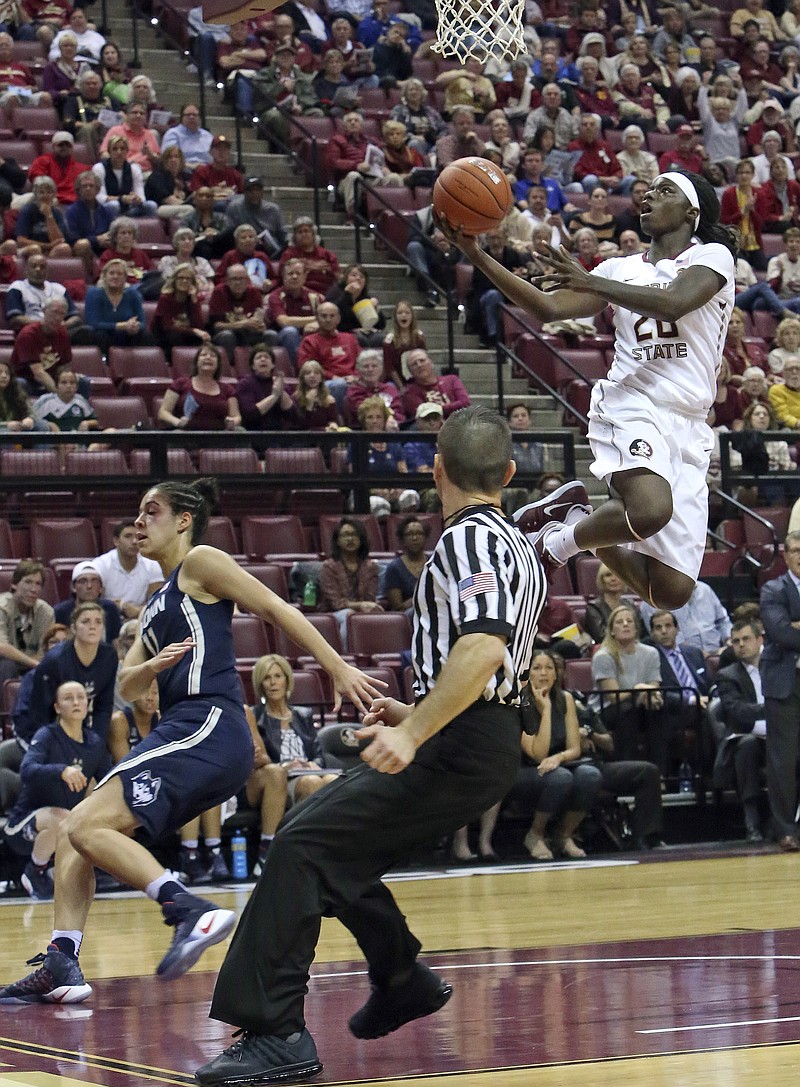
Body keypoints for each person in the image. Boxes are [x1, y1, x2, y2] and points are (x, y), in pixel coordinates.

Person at [196, 406, 544, 1085]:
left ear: (435, 469)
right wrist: (416, 710)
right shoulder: (512, 541)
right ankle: (400, 975)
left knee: (302, 844)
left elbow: (482, 647)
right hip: (474, 735)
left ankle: (277, 1033)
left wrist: (414, 731)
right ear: (506, 474)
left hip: (461, 745)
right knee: (321, 837)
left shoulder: (470, 539)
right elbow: (490, 667)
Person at [0, 478, 381, 1003]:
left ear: (183, 520)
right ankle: (62, 960)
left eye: (150, 511)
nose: (139, 522)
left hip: (210, 722)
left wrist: (336, 666)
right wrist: (151, 665)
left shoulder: (201, 562)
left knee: (84, 823)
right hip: (182, 728)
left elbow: (276, 609)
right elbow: (126, 687)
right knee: (75, 831)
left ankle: (187, 908)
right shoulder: (157, 601)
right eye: (137, 513)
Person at [444, 170, 736, 611]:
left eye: (665, 190)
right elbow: (548, 307)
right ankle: (556, 545)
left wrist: (591, 281)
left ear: (691, 212)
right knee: (649, 511)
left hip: (690, 423)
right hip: (632, 402)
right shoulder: (620, 268)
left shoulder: (714, 257)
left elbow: (675, 301)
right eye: (648, 189)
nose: (649, 195)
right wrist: (478, 256)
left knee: (670, 592)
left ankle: (576, 518)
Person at [3, 681, 111, 901]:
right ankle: (35, 871)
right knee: (61, 817)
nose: (76, 702)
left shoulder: (95, 742)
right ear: (57, 707)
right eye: (68, 698)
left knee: (96, 812)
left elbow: (108, 779)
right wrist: (61, 771)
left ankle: (74, 871)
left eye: (81, 697)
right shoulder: (47, 735)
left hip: (66, 824)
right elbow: (27, 770)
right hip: (24, 824)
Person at [242, 654, 339, 877]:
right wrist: (286, 765)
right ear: (260, 684)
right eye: (267, 678)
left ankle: (328, 850)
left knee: (332, 781)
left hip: (306, 772)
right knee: (311, 782)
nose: (273, 682)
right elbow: (263, 761)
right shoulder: (256, 716)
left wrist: (314, 764)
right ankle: (297, 851)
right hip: (278, 779)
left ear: (287, 680)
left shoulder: (302, 715)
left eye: (277, 676)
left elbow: (318, 753)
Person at [760, 530, 800, 849]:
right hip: (785, 683)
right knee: (783, 761)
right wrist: (790, 628)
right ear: (785, 556)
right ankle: (785, 829)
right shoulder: (773, 588)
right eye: (796, 550)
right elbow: (781, 634)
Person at [713, 618, 767, 842]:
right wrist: (775, 709)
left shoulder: (777, 667)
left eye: (746, 639)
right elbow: (739, 712)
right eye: (735, 641)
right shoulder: (727, 676)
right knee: (748, 746)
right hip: (747, 738)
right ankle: (751, 822)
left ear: (759, 640)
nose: (741, 645)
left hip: (781, 737)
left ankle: (786, 824)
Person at [591, 604, 664, 764]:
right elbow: (613, 697)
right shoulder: (603, 656)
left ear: (637, 628)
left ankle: (660, 771)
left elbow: (653, 688)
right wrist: (638, 689)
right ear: (611, 630)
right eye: (619, 622)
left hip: (638, 703)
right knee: (627, 710)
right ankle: (628, 767)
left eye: (629, 621)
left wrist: (652, 697)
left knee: (658, 710)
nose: (625, 624)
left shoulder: (651, 653)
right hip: (606, 710)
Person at [648, 608, 712, 779]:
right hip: (674, 711)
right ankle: (708, 776)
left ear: (677, 629)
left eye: (668, 626)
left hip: (705, 704)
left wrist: (713, 697)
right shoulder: (651, 657)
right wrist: (692, 699)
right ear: (652, 633)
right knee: (707, 717)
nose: (664, 631)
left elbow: (710, 683)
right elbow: (659, 693)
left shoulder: (694, 653)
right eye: (658, 627)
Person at [319, 516, 383, 647]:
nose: (350, 539)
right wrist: (361, 605)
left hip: (362, 611)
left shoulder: (370, 566)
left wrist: (369, 606)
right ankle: (348, 657)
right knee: (349, 615)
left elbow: (370, 598)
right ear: (337, 541)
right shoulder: (329, 567)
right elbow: (336, 603)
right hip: (333, 614)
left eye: (354, 535)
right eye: (345, 535)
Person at [158, 343, 241, 432]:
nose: (208, 357)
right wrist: (178, 422)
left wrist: (232, 422)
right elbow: (163, 412)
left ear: (218, 364)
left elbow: (236, 416)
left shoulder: (227, 389)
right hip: (186, 435)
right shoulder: (180, 383)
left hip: (218, 436)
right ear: (196, 362)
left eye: (213, 356)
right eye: (203, 355)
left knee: (240, 431)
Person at [93, 521, 163, 621]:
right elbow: (96, 601)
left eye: (138, 537)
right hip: (108, 617)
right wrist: (122, 606)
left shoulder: (152, 564)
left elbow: (156, 601)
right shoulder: (101, 565)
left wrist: (138, 611)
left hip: (141, 617)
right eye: (128, 536)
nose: (134, 541)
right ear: (116, 541)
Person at [639, 581, 731, 656]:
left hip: (720, 652)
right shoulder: (653, 601)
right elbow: (661, 637)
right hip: (685, 657)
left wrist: (728, 639)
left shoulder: (705, 590)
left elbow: (723, 621)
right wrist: (697, 654)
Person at [0, 560, 54, 685]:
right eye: (28, 582)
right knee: (7, 665)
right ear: (14, 584)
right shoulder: (2, 607)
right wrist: (35, 663)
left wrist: (37, 664)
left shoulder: (46, 612)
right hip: (6, 666)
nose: (33, 589)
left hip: (31, 666)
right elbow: (2, 647)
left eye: (38, 584)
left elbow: (45, 650)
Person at [84, 259, 151, 354]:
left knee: (145, 335)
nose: (115, 276)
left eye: (120, 274)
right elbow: (92, 323)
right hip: (103, 337)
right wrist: (120, 326)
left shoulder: (133, 294)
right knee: (99, 334)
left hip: (127, 337)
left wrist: (135, 327)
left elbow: (142, 323)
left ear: (125, 277)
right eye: (111, 273)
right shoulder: (94, 293)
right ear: (104, 276)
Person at [265, 257, 321, 363]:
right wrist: (316, 319)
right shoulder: (275, 296)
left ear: (305, 276)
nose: (294, 277)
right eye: (290, 273)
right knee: (290, 331)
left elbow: (327, 319)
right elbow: (284, 322)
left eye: (298, 273)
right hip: (281, 336)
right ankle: (298, 369)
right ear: (283, 276)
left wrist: (318, 324)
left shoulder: (315, 297)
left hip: (308, 336)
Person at [208, 263, 268, 359]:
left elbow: (259, 318)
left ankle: (264, 370)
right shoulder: (219, 292)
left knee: (270, 335)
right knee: (227, 336)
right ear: (227, 281)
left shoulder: (254, 292)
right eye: (234, 279)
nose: (238, 282)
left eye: (242, 279)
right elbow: (216, 326)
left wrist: (260, 325)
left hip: (248, 333)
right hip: (224, 334)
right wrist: (243, 324)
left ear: (247, 280)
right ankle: (226, 370)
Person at [53, 561, 121, 644]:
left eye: (94, 581)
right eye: (83, 581)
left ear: (100, 588)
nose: (89, 586)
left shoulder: (110, 608)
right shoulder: (61, 611)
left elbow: (116, 642)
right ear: (73, 587)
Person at [151, 264, 210, 354]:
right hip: (164, 338)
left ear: (193, 283)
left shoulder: (193, 299)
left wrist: (194, 301)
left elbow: (199, 326)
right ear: (174, 280)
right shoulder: (166, 298)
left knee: (203, 339)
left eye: (188, 278)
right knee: (174, 337)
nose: (184, 281)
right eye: (180, 278)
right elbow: (167, 327)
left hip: (186, 336)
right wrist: (193, 331)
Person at [400, 348, 470, 422]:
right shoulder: (409, 393)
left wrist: (439, 409)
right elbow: (426, 416)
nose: (419, 365)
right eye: (414, 364)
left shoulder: (451, 379)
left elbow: (465, 403)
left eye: (422, 361)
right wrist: (453, 407)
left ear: (431, 362)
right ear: (410, 371)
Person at [326, 263, 386, 349]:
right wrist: (347, 294)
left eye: (361, 277)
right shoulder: (336, 293)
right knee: (359, 340)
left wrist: (376, 310)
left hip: (363, 332)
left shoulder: (366, 298)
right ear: (346, 278)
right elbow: (335, 317)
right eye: (354, 275)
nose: (358, 278)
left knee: (381, 338)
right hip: (342, 331)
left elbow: (380, 325)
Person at [237, 342, 293, 432]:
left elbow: (293, 416)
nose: (263, 359)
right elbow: (250, 414)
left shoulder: (280, 384)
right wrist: (274, 396)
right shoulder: (245, 384)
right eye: (259, 357)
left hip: (278, 434)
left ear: (273, 365)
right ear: (253, 366)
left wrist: (281, 392)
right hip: (253, 434)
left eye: (267, 357)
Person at [584, 563, 645, 643]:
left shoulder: (630, 604)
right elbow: (601, 636)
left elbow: (640, 632)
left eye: (617, 575)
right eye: (608, 575)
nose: (613, 579)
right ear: (601, 580)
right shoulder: (594, 607)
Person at [343, 347, 403, 429]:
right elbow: (364, 414)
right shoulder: (354, 391)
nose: (370, 369)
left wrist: (394, 422)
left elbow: (399, 413)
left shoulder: (390, 389)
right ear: (359, 370)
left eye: (374, 366)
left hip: (393, 431)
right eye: (366, 366)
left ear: (381, 369)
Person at [278, 216, 339, 294]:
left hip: (327, 293)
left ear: (313, 235)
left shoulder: (327, 254)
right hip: (299, 295)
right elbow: (282, 276)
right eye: (300, 232)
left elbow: (338, 276)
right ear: (294, 237)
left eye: (306, 231)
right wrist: (315, 267)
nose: (303, 234)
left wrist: (328, 269)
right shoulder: (289, 254)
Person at [383, 515, 429, 615]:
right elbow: (398, 607)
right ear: (402, 539)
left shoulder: (434, 563)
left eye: (419, 533)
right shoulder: (394, 568)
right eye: (409, 534)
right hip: (408, 615)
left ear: (425, 537)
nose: (414, 538)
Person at [160, 103, 214, 169]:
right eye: (188, 115)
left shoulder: (207, 135)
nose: (191, 117)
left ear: (200, 118)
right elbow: (168, 158)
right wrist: (192, 166)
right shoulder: (173, 134)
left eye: (194, 115)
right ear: (182, 118)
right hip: (182, 172)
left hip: (206, 171)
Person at [290, 359, 340, 431]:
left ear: (321, 378)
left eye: (316, 373)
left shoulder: (329, 399)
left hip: (324, 439)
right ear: (303, 378)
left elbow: (333, 420)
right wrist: (309, 405)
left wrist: (333, 424)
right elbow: (302, 427)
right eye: (308, 373)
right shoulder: (296, 398)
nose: (312, 376)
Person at [0, 359, 37, 434]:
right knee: (7, 433)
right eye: (0, 372)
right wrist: (6, 425)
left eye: (7, 373)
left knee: (42, 426)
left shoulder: (17, 391)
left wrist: (30, 418)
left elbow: (31, 412)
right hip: (3, 429)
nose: (4, 376)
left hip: (17, 425)